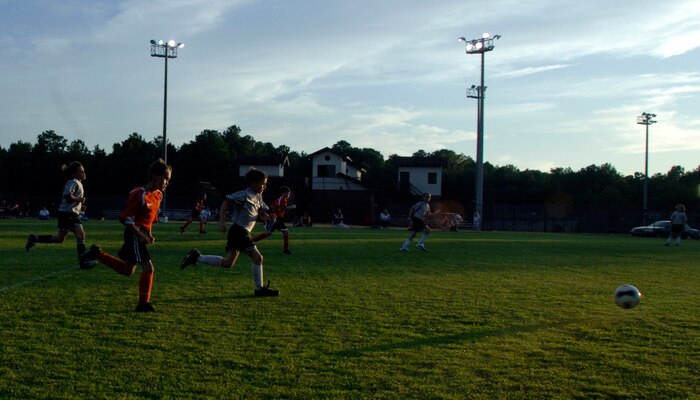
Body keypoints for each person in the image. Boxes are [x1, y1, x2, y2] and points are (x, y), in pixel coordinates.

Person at [80, 159, 172, 312]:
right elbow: (126, 218)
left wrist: (149, 234)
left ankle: (97, 253)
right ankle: (143, 304)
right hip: (133, 234)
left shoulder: (158, 195)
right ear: (155, 176)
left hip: (140, 234)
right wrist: (139, 234)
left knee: (128, 270)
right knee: (149, 269)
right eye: (165, 178)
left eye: (169, 179)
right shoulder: (140, 194)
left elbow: (150, 218)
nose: (167, 182)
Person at [179, 169, 280, 297]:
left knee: (228, 263)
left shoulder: (258, 197)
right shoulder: (244, 194)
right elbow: (227, 201)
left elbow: (259, 213)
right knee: (258, 258)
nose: (265, 186)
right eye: (263, 183)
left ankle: (196, 257)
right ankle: (259, 289)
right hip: (239, 231)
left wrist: (268, 217)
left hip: (240, 232)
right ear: (253, 183)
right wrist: (221, 222)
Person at [25, 161, 95, 269]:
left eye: (83, 171)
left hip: (66, 213)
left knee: (59, 239)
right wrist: (79, 199)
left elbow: (70, 199)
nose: (83, 173)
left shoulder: (78, 183)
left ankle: (35, 238)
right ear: (75, 174)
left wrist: (80, 205)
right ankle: (83, 262)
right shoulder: (73, 182)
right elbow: (67, 195)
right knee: (80, 235)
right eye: (81, 172)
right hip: (68, 214)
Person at [252, 186, 296, 254]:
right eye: (286, 193)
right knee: (275, 232)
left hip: (278, 219)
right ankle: (248, 243)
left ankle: (285, 249)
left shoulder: (283, 199)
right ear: (282, 193)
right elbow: (280, 208)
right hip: (276, 219)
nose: (288, 195)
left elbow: (275, 206)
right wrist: (291, 207)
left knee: (278, 232)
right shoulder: (281, 199)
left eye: (289, 193)